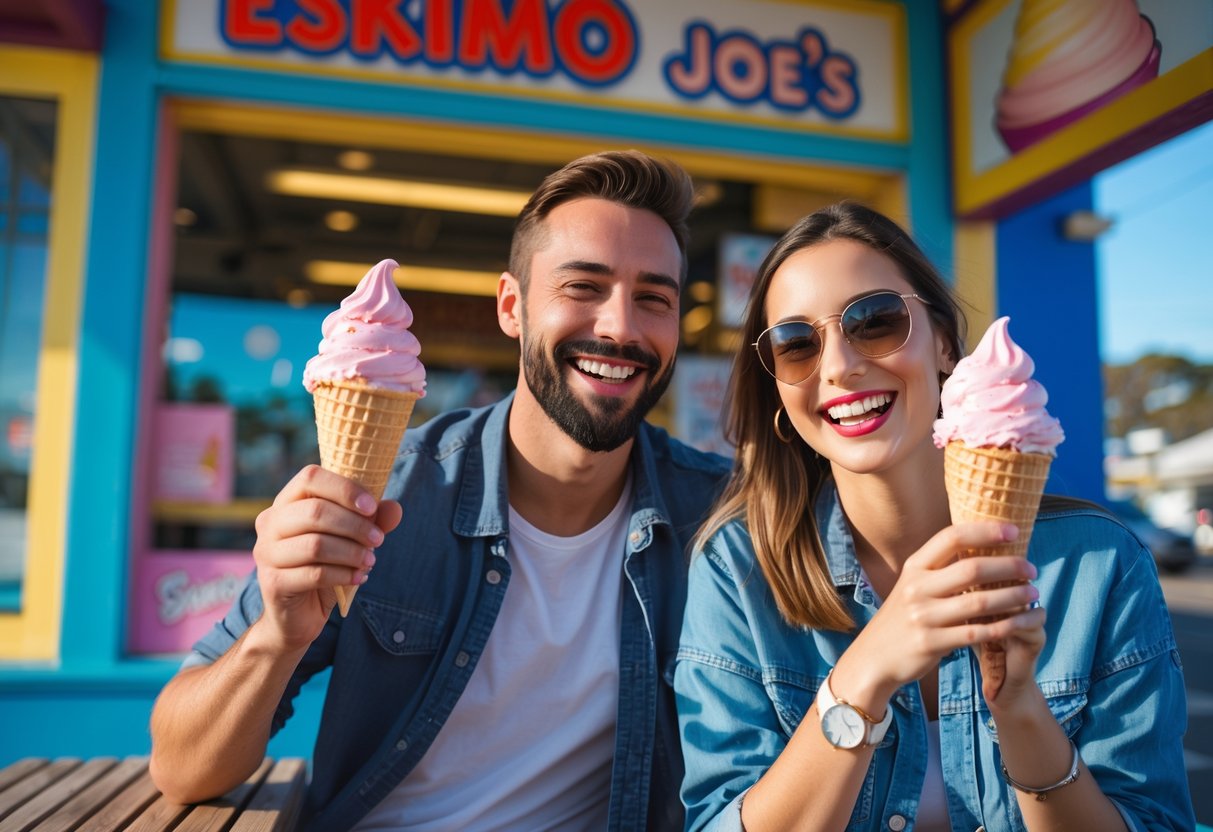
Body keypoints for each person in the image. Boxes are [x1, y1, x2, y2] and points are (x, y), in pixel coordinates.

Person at [148, 150, 730, 831]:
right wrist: (277, 637)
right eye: (582, 287)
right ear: (511, 307)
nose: (620, 327)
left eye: (653, 299)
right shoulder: (392, 493)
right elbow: (182, 768)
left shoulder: (718, 521)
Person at [674, 202, 1194, 831]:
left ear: (945, 342)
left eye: (875, 321)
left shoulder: (1099, 564)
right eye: (796, 344)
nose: (838, 366)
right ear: (780, 391)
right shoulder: (738, 570)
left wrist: (1023, 710)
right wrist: (862, 680)